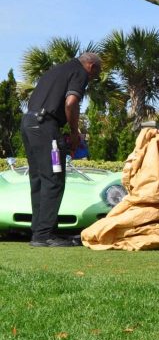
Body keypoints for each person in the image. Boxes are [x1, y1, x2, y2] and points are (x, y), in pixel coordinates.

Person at [21, 52, 102, 247]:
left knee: (39, 178)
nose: (92, 79)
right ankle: (45, 235)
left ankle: (39, 232)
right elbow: (71, 102)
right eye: (95, 75)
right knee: (54, 178)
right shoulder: (80, 72)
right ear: (90, 66)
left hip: (28, 123)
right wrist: (74, 132)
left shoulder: (57, 70)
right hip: (45, 126)